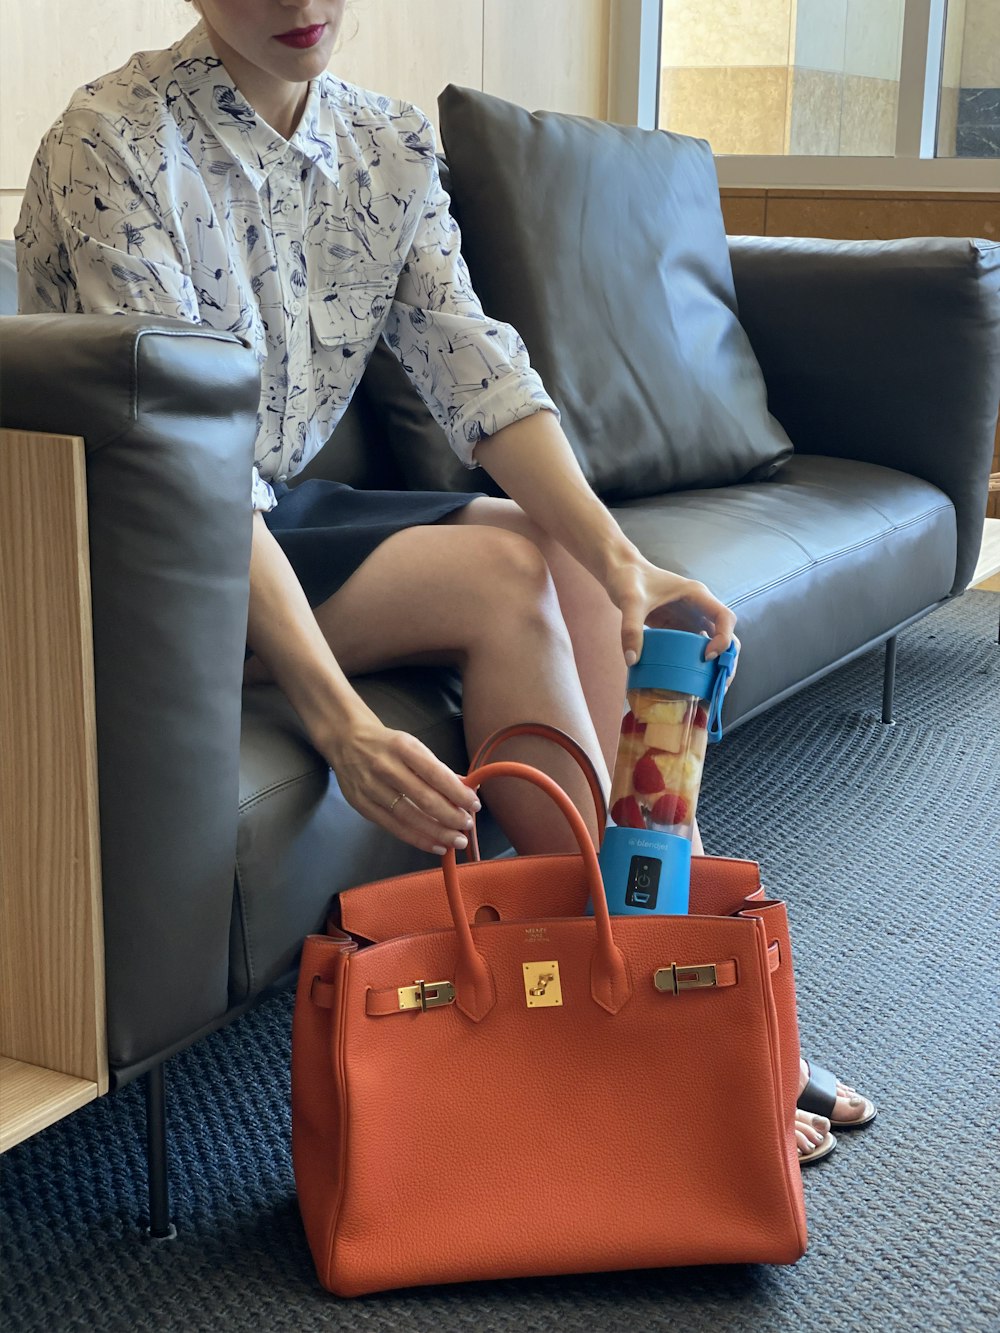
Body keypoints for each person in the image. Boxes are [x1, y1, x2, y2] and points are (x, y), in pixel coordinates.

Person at [15, 0, 874, 1163]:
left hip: (277, 512)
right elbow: (192, 479)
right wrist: (344, 725)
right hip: (121, 550)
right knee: (501, 572)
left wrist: (625, 565)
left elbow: (477, 373)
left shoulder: (386, 145)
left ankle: (675, 972)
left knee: (570, 559)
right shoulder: (109, 142)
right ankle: (653, 1011)